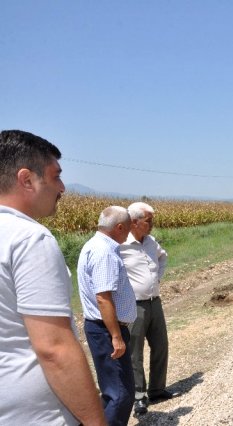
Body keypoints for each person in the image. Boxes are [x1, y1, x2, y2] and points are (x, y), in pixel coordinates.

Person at [0, 130, 106, 425]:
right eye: (56, 176)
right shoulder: (28, 238)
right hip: (38, 415)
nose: (62, 187)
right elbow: (53, 348)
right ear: (27, 179)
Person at [78, 206, 137, 426]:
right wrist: (116, 336)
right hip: (106, 330)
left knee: (113, 391)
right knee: (120, 395)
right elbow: (103, 298)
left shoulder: (95, 245)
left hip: (103, 329)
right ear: (119, 227)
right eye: (129, 228)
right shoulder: (104, 252)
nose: (130, 232)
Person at [120, 202, 178, 416]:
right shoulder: (121, 245)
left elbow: (163, 257)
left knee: (161, 345)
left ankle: (157, 389)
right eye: (148, 221)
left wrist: (157, 278)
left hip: (155, 302)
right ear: (134, 222)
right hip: (134, 305)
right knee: (135, 353)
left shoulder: (151, 242)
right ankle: (139, 396)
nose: (152, 225)